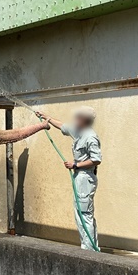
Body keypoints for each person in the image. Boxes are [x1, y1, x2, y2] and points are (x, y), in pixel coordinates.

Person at [37, 106, 102, 251]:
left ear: (85, 120)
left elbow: (97, 159)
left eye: (78, 117)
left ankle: (90, 249)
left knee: (84, 214)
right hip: (79, 176)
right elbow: (63, 126)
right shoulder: (78, 131)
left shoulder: (90, 136)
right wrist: (46, 117)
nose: (75, 119)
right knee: (80, 213)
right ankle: (88, 246)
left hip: (86, 178)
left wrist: (76, 164)